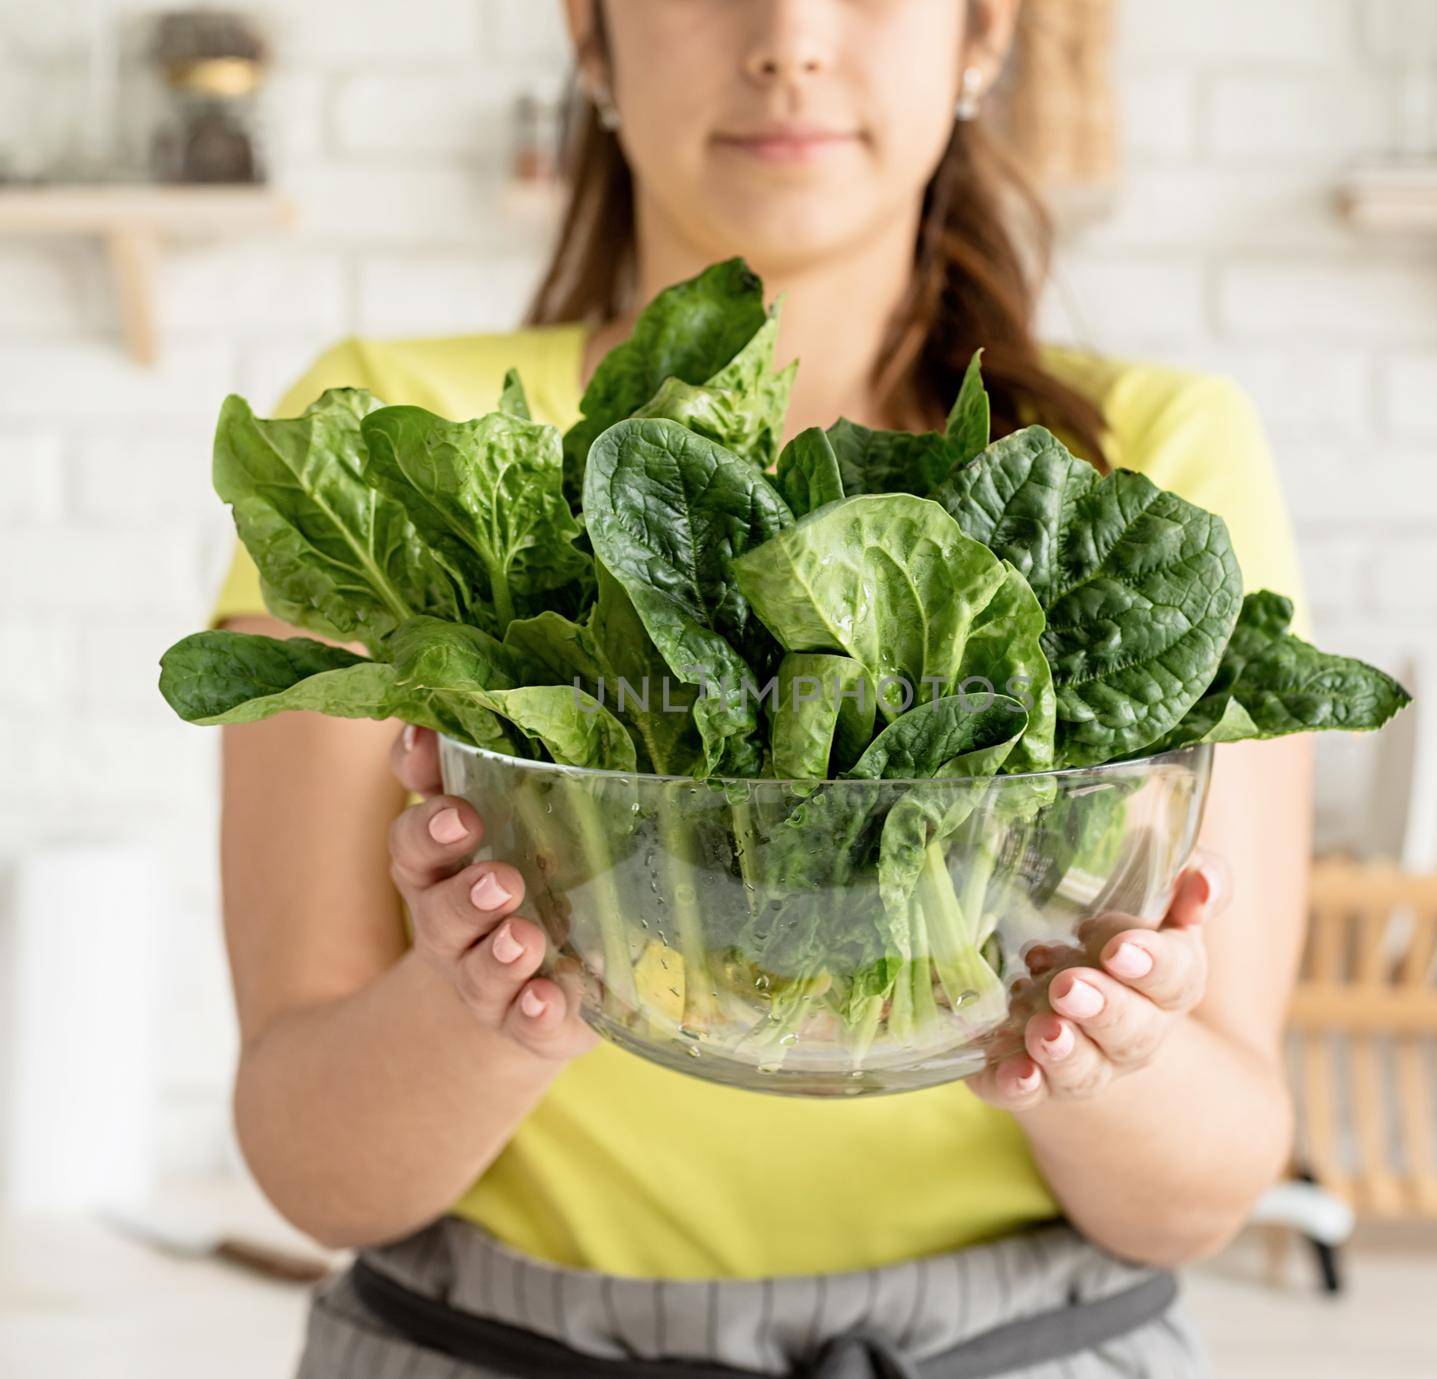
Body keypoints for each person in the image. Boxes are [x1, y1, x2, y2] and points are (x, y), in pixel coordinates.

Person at [208, 3, 1313, 1375]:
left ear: (983, 36)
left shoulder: (1147, 464)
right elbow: (318, 1172)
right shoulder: (389, 442)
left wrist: (1108, 1056)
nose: (787, 36)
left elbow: (1207, 1184)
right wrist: (482, 994)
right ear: (591, 38)